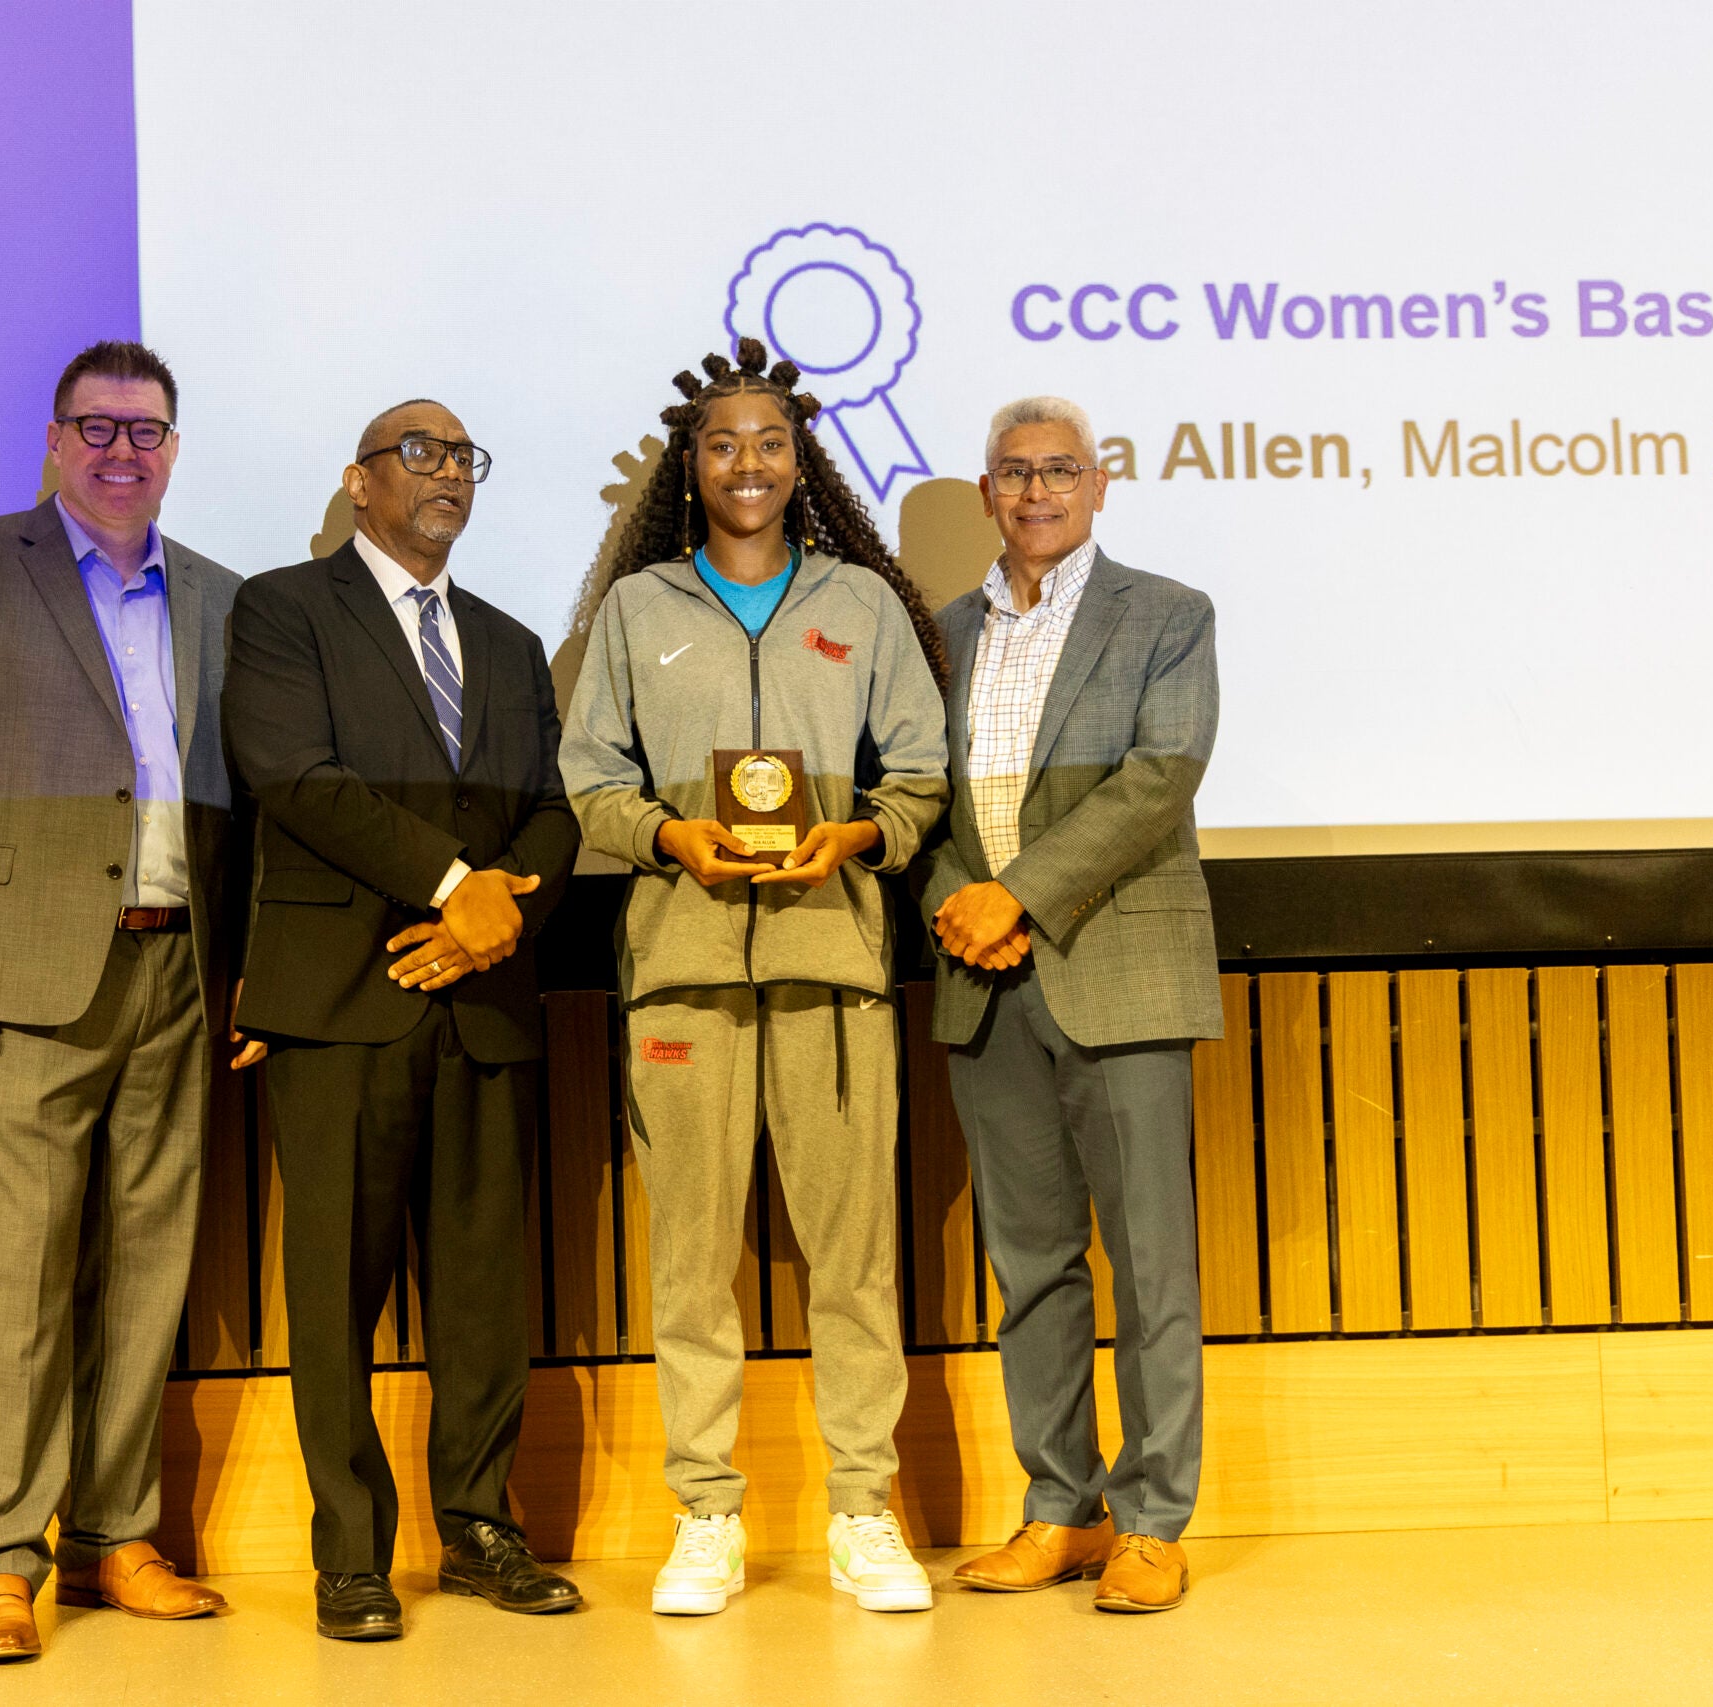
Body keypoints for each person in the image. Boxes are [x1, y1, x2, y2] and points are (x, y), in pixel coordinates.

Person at [0, 340, 258, 1663]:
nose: (120, 451)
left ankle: (115, 1536)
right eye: (95, 427)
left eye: (144, 430)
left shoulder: (216, 594)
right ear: (54, 442)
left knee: (149, 1269)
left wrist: (246, 960)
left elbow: (242, 794)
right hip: (25, 971)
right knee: (19, 1279)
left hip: (178, 969)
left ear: (172, 450)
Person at [559, 339, 950, 1617]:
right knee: (688, 1263)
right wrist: (664, 836)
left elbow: (919, 774)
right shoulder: (638, 610)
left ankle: (862, 1511)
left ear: (799, 464)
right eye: (722, 444)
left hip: (832, 967)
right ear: (692, 465)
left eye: (769, 443)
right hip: (681, 972)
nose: (746, 463)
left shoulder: (860, 605)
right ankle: (705, 1516)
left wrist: (860, 837)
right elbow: (590, 779)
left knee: (853, 1259)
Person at [222, 399, 583, 1641]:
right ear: (358, 481)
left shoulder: (510, 640)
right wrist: (453, 883)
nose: (447, 474)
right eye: (418, 454)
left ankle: (480, 1530)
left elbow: (552, 811)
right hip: (339, 1000)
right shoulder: (281, 610)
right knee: (334, 1295)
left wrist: (501, 916)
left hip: (484, 999)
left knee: (483, 1293)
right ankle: (350, 1557)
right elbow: (295, 778)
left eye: (462, 458)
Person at [921, 394, 1221, 1613]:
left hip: (1120, 971)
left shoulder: (1167, 614)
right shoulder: (943, 631)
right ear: (986, 492)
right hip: (983, 982)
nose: (1036, 491)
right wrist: (959, 901)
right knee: (1030, 1265)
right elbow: (915, 793)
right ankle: (1061, 1509)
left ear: (1099, 485)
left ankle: (1151, 1522)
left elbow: (1159, 778)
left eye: (1059, 471)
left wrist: (1018, 896)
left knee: (1150, 1266)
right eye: (1014, 472)